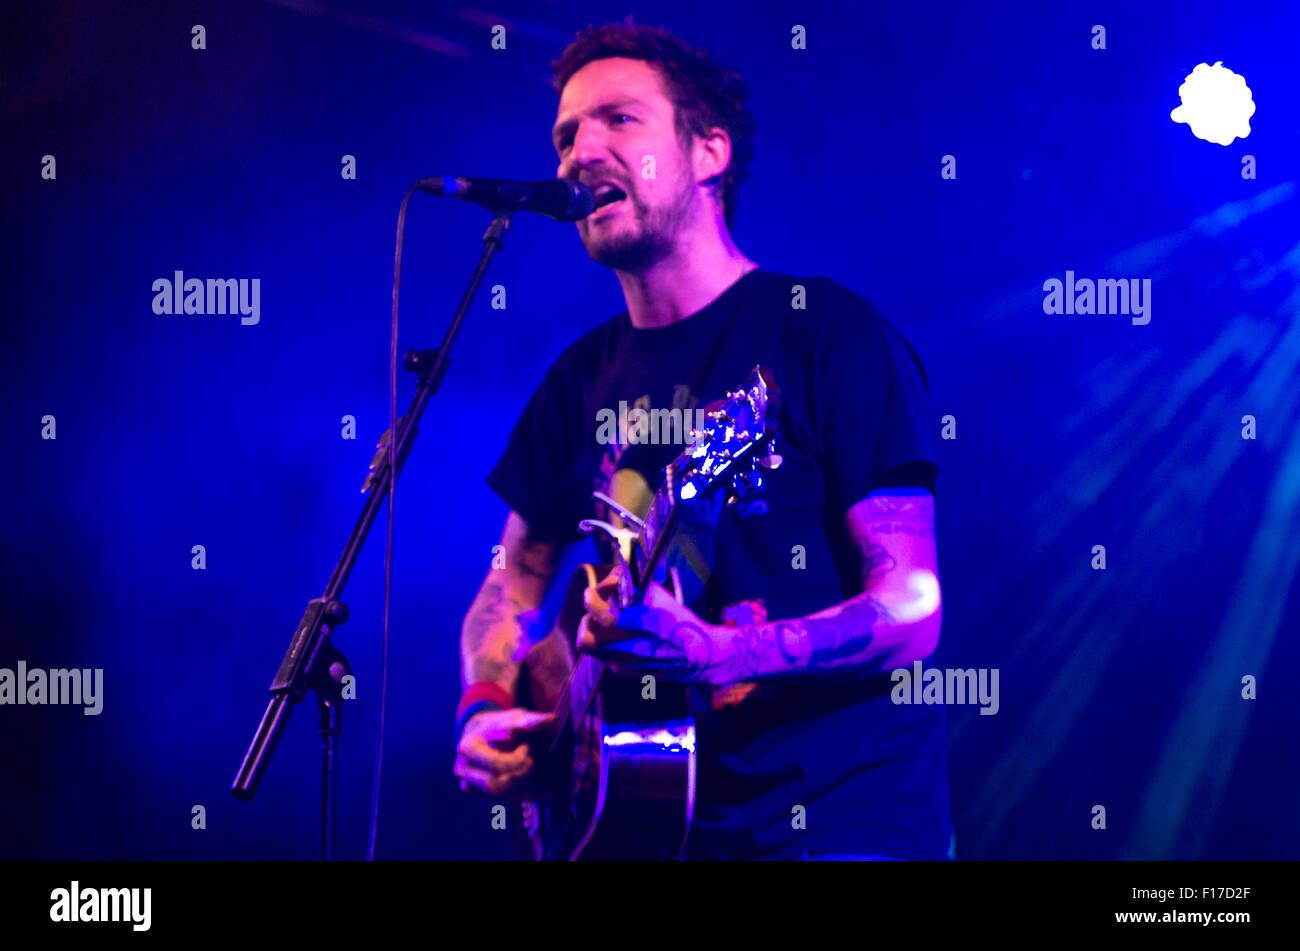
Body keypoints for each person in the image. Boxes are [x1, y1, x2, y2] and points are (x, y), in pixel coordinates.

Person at [453, 19, 952, 861]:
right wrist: (487, 704)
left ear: (708, 151)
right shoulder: (579, 380)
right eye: (566, 134)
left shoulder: (825, 334)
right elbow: (511, 582)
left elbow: (912, 607)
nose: (578, 152)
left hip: (837, 827)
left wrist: (722, 653)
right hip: (646, 831)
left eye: (618, 119)